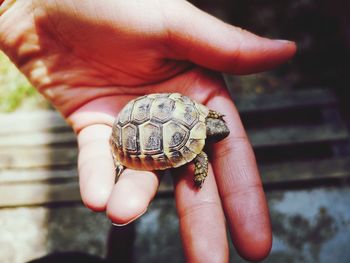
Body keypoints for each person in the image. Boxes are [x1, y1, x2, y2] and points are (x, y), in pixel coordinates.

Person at [0, 0, 296, 262]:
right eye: (215, 130)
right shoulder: (199, 143)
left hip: (134, 112)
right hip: (130, 136)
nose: (218, 131)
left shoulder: (196, 111)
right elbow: (200, 159)